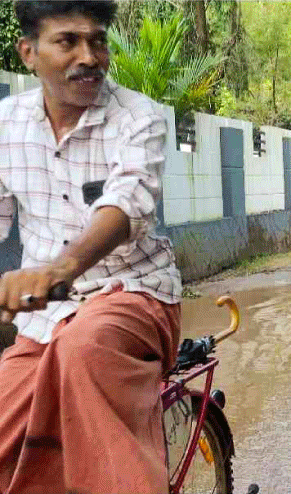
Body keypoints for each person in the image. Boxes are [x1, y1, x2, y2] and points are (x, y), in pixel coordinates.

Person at [0, 2, 182, 492]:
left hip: (135, 297)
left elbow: (128, 205)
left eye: (97, 41)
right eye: (68, 41)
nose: (90, 56)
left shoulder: (137, 116)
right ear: (28, 53)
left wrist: (60, 268)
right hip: (41, 321)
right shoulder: (4, 125)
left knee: (84, 349)